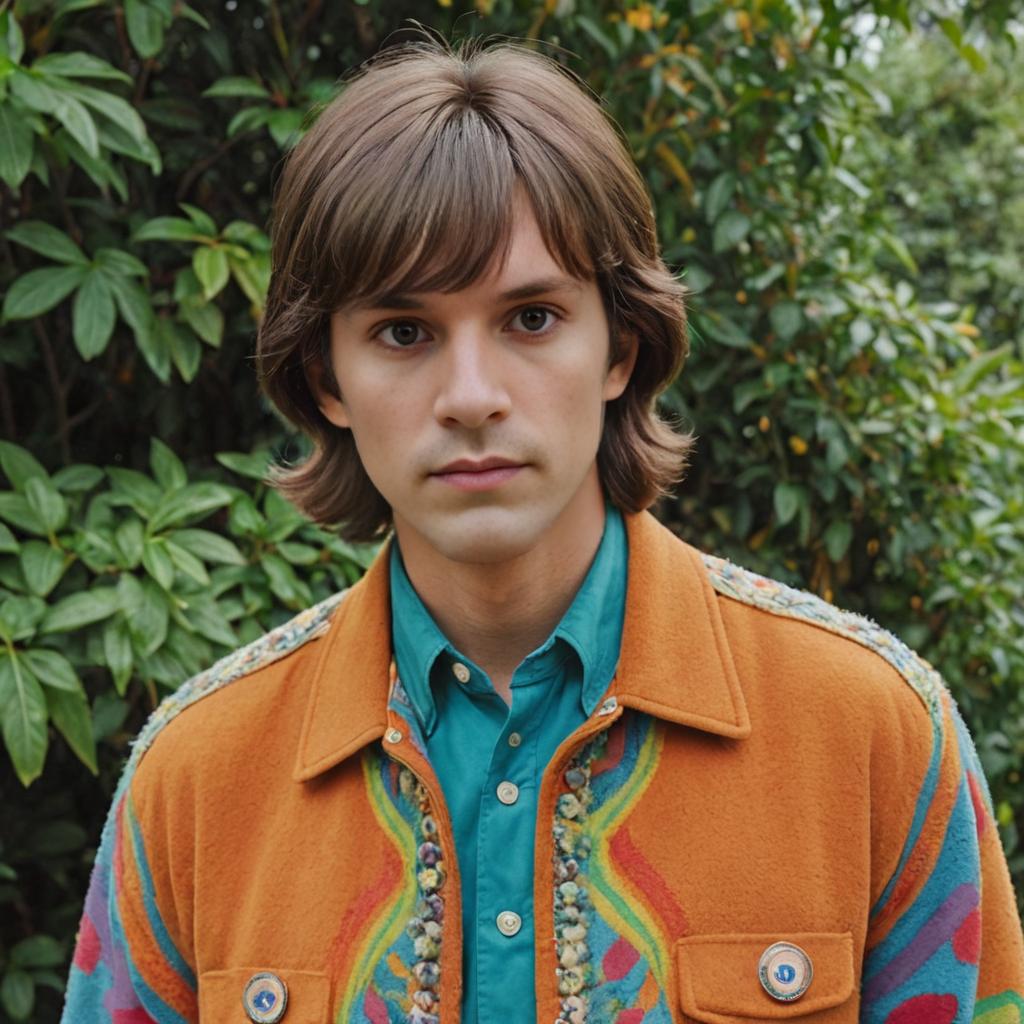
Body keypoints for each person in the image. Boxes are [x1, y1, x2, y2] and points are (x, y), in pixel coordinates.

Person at [62, 35, 1023, 1024]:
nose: (471, 396)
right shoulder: (194, 781)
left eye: (530, 318)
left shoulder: (871, 733)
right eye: (403, 331)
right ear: (325, 379)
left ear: (621, 346)